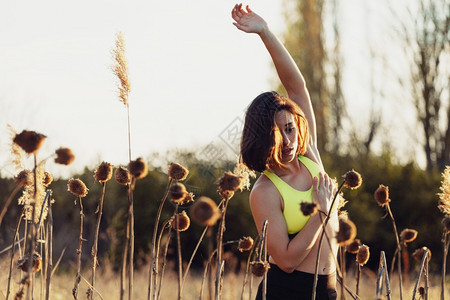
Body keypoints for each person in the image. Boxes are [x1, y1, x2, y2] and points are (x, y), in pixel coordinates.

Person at [231, 4, 339, 300]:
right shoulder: (264, 191)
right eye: (278, 135)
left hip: (328, 289)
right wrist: (321, 211)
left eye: (290, 128)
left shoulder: (309, 155)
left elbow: (296, 85)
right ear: (262, 139)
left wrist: (264, 31)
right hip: (290, 292)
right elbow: (287, 261)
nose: (289, 141)